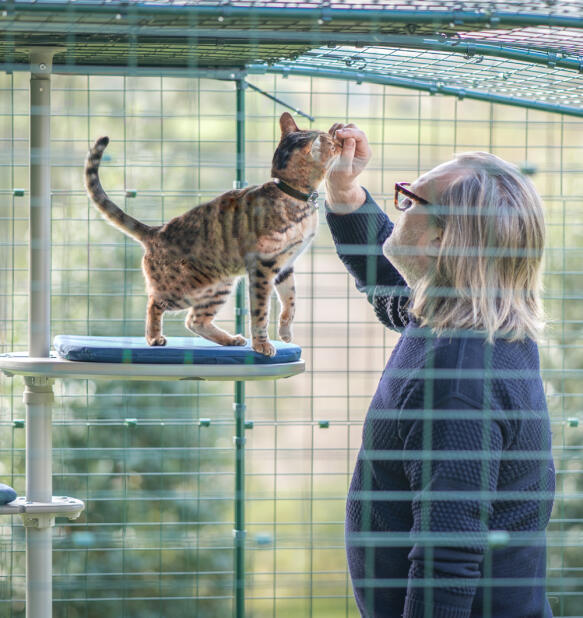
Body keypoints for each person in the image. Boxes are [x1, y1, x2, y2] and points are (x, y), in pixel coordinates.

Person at [324, 122, 556, 618]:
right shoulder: (462, 316)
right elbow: (388, 283)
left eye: (410, 199)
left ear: (443, 239)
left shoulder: (460, 376)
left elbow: (447, 557)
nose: (399, 205)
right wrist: (344, 192)